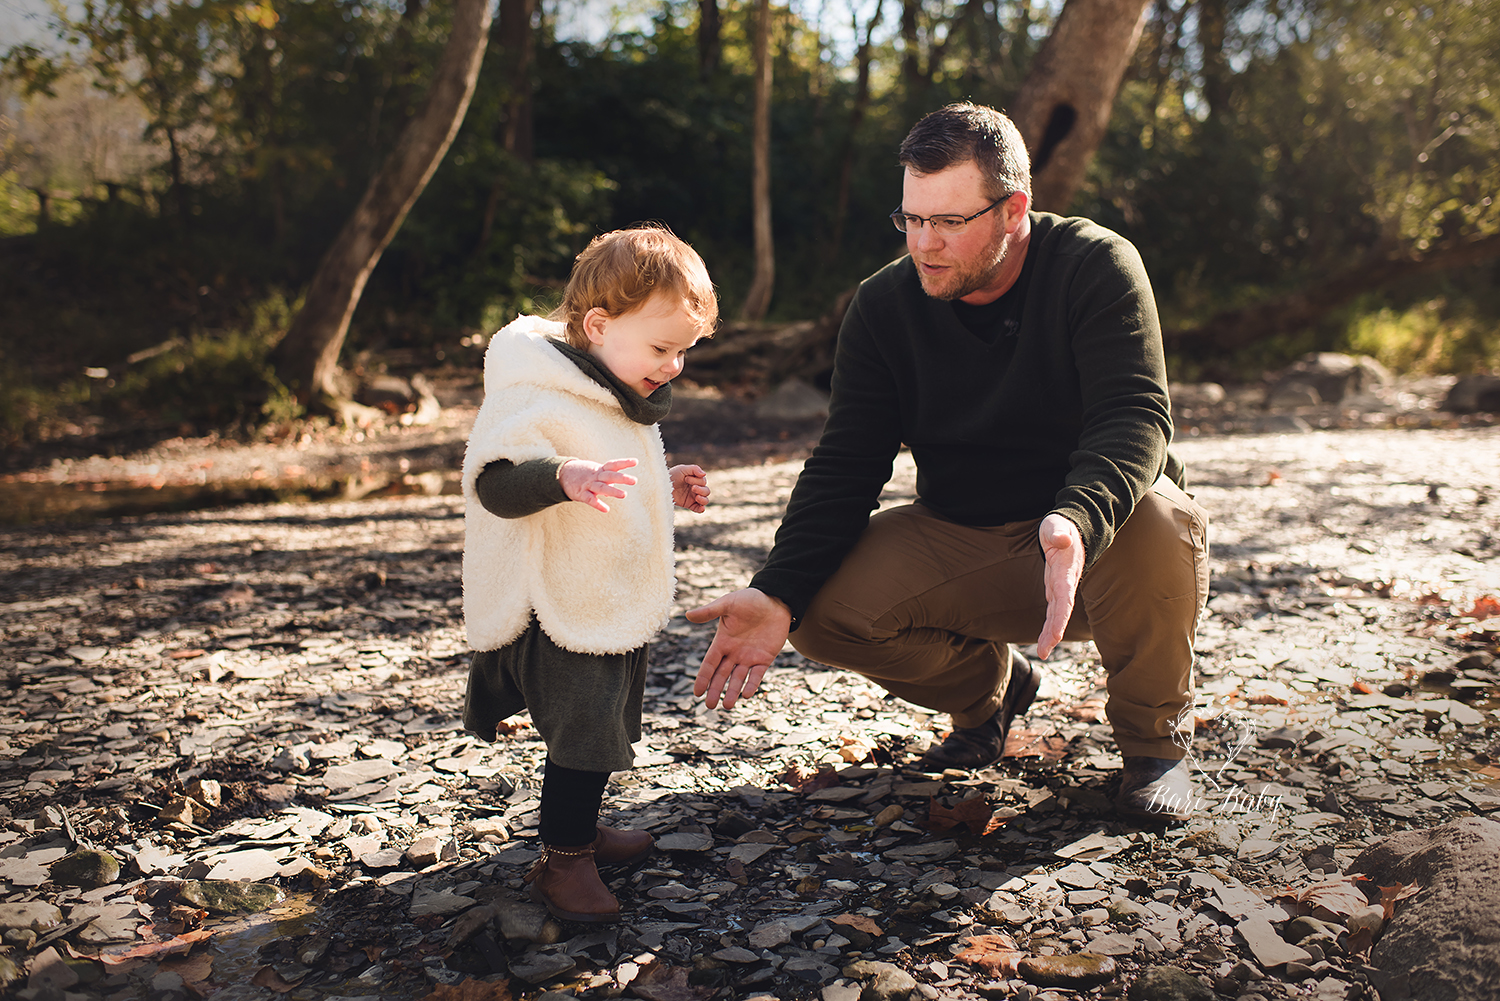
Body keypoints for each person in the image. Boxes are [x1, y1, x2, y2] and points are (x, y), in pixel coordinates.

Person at [689, 102, 1210, 822]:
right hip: (966, 535)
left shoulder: (1096, 265)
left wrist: (1076, 517)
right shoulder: (882, 307)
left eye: (948, 222)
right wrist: (777, 589)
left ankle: (1155, 748)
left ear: (1013, 209)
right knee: (815, 611)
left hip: (1100, 547)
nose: (924, 244)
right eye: (911, 219)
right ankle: (991, 694)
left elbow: (1136, 415)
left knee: (1157, 509)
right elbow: (846, 460)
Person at [461, 225, 717, 921]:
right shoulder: (534, 391)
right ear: (599, 325)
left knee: (606, 721)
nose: (675, 365)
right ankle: (563, 860)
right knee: (582, 729)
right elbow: (496, 482)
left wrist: (663, 483)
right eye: (663, 347)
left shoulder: (612, 388)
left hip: (599, 589)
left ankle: (582, 827)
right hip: (555, 601)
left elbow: (614, 478)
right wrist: (562, 476)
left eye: (686, 350)